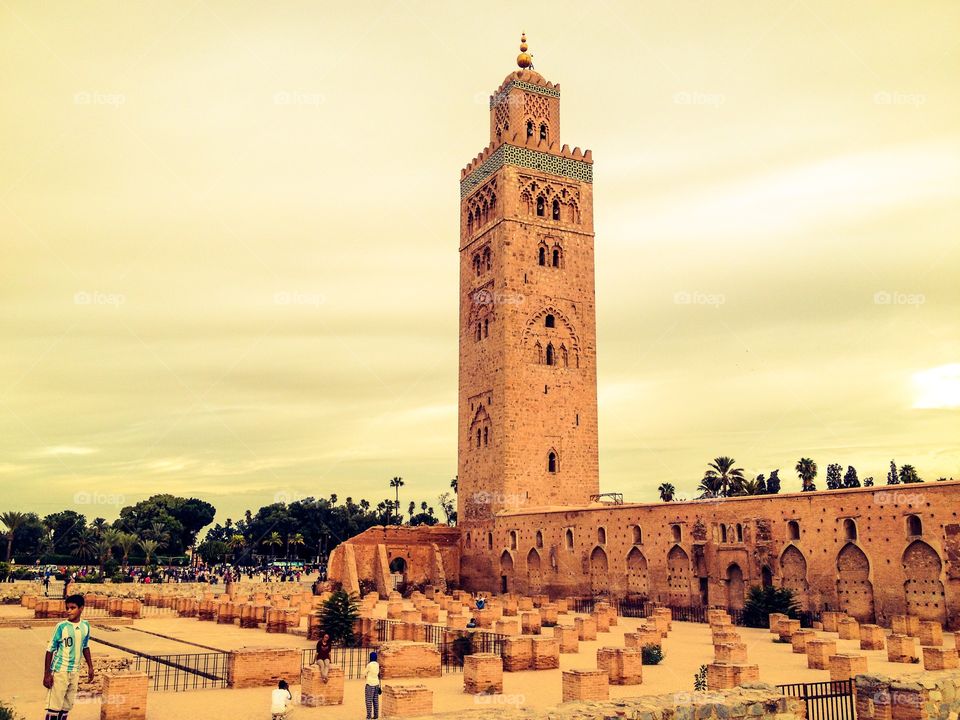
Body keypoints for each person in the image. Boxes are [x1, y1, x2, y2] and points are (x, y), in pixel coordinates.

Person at [43, 593, 93, 720]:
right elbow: (50, 650)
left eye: (72, 608)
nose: (69, 611)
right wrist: (47, 674)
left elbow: (85, 647)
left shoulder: (85, 626)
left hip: (74, 671)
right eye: (67, 608)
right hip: (60, 671)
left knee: (67, 706)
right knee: (54, 707)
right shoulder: (61, 627)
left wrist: (90, 667)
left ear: (81, 608)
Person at [364, 651, 380, 720]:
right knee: (375, 700)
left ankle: (369, 716)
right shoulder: (377, 664)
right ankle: (376, 715)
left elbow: (364, 673)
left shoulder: (369, 665)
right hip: (376, 683)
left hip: (370, 684)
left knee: (368, 701)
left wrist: (366, 675)